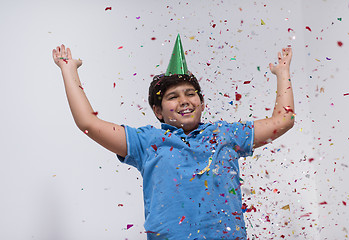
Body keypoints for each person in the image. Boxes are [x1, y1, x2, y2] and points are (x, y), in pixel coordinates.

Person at [52, 34, 294, 240]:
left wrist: (282, 73)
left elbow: (283, 121)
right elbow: (88, 123)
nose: (184, 101)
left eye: (190, 94)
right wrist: (68, 69)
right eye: (173, 97)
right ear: (157, 111)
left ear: (202, 104)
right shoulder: (146, 142)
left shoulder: (226, 134)